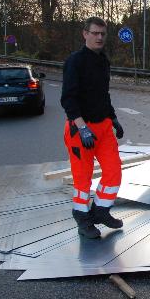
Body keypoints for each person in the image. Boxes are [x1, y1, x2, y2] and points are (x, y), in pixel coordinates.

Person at [60, 17, 125, 238]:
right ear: (85, 34)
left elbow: (103, 95)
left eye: (102, 34)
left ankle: (100, 211)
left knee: (114, 171)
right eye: (95, 33)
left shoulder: (103, 61)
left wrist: (113, 118)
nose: (99, 37)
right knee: (82, 179)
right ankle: (82, 219)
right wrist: (81, 126)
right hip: (81, 129)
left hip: (103, 126)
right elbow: (68, 98)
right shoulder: (75, 61)